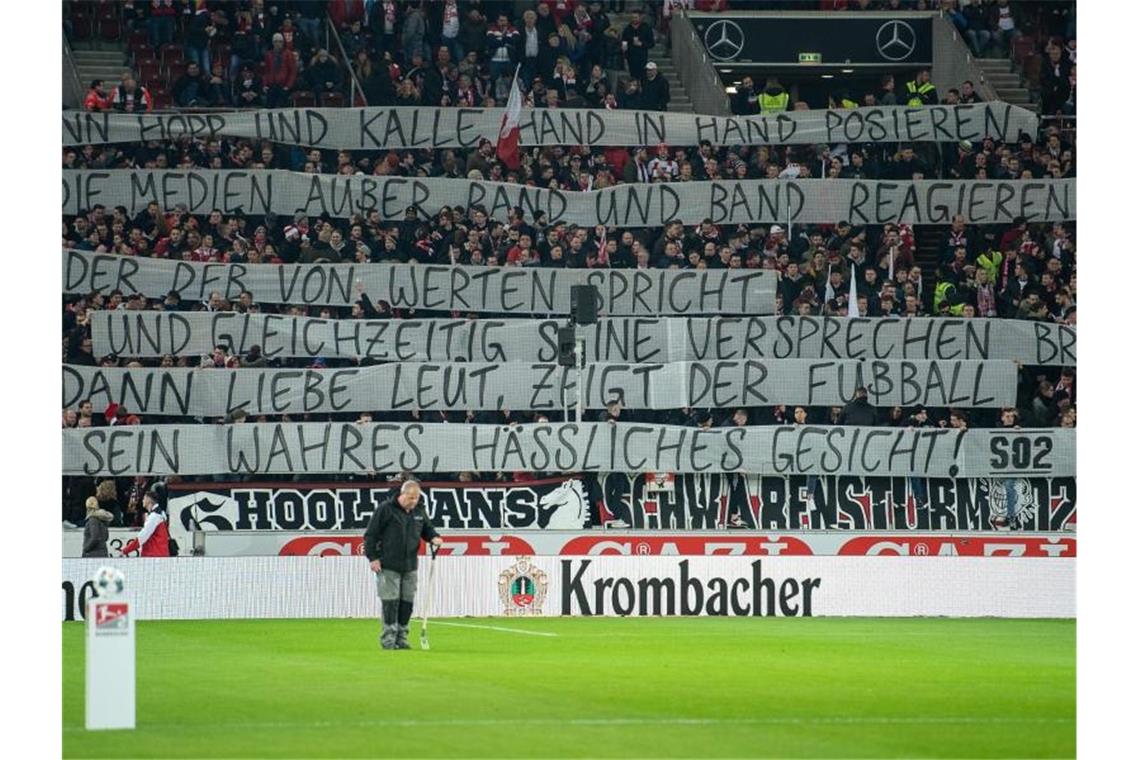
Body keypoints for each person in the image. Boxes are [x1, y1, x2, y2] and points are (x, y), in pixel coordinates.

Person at [363, 480, 443, 650]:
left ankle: (402, 637)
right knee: (390, 602)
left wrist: (434, 537)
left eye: (416, 498)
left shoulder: (420, 510)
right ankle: (388, 639)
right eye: (411, 498)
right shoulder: (385, 509)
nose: (413, 501)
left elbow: (427, 529)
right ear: (402, 494)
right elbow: (371, 535)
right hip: (388, 564)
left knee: (407, 602)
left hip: (410, 565)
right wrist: (373, 558)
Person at [121, 485, 172, 557]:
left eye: (144, 498)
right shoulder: (161, 514)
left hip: (154, 555)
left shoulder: (154, 517)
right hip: (161, 553)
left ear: (149, 499)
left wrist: (125, 550)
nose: (142, 501)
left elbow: (142, 537)